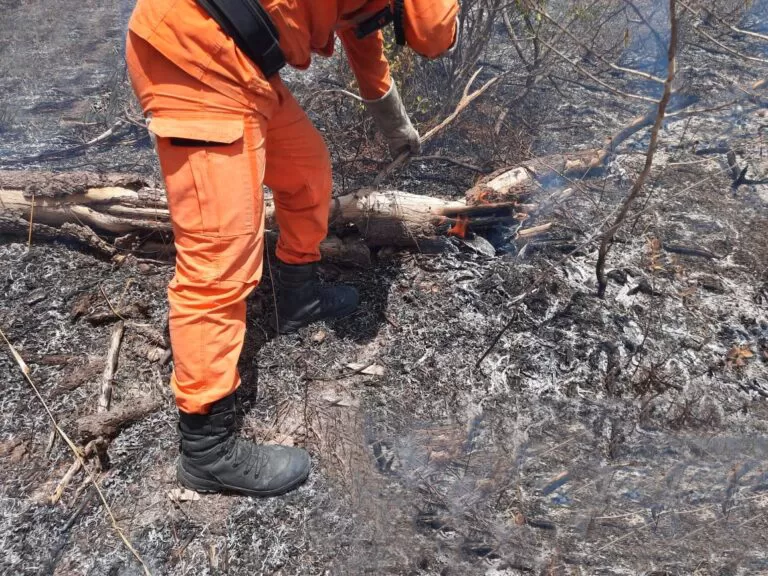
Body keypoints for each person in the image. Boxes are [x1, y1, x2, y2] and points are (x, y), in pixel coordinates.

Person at [125, 0, 459, 497]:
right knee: (218, 258)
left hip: (243, 63)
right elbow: (432, 30)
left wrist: (392, 118)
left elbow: (362, 26)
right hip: (196, 52)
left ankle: (297, 295)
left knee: (307, 172)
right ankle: (206, 449)